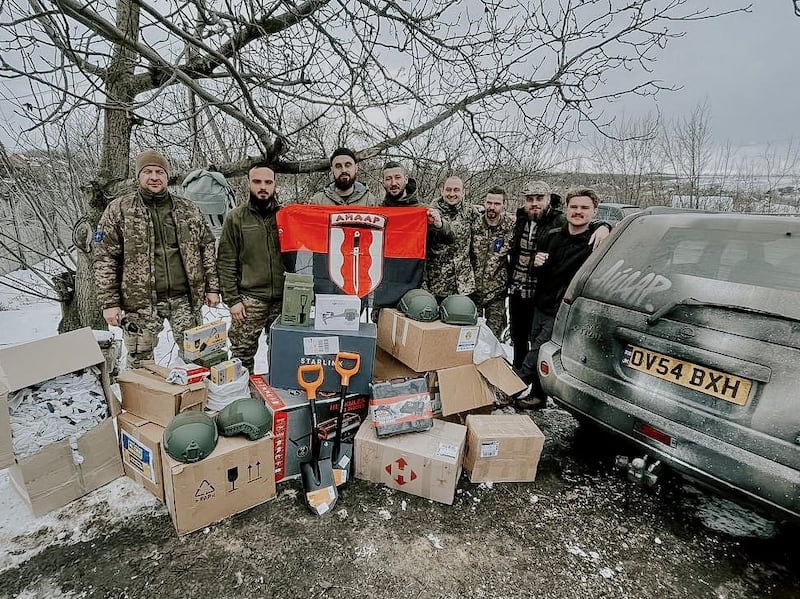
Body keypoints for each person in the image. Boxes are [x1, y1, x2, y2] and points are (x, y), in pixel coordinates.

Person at [93, 149, 220, 368]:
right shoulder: (119, 210)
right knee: (140, 362)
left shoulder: (187, 209)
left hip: (185, 299)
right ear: (138, 176)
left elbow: (206, 248)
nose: (154, 177)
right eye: (148, 171)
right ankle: (143, 401)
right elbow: (105, 257)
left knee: (200, 356)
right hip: (140, 303)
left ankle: (197, 398)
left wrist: (212, 287)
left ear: (166, 176)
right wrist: (110, 302)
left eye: (159, 171)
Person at [507, 180, 609, 371]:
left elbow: (584, 224)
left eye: (539, 198)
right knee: (518, 337)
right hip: (519, 289)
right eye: (530, 199)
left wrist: (604, 226)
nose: (534, 203)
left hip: (544, 295)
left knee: (539, 344)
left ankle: (524, 382)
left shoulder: (559, 221)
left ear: (548, 199)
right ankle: (516, 374)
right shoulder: (520, 218)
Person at [516, 188, 603, 410]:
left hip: (566, 309)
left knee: (536, 351)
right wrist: (536, 265)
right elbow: (539, 272)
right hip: (542, 304)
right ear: (566, 209)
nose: (578, 212)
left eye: (584, 208)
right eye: (574, 207)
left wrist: (606, 226)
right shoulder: (552, 235)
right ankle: (538, 395)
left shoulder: (597, 241)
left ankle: (509, 387)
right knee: (537, 346)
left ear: (594, 212)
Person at [216, 164, 286, 374]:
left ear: (274, 184)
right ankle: (242, 400)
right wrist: (233, 300)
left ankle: (279, 397)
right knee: (242, 353)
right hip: (249, 300)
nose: (263, 187)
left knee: (283, 352)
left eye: (268, 182)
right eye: (257, 182)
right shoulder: (236, 218)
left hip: (283, 299)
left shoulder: (286, 216)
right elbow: (226, 261)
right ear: (249, 183)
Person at [425, 175, 478, 303]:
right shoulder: (430, 213)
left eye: (456, 190)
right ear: (442, 191)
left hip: (464, 285)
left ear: (463, 192)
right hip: (438, 284)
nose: (452, 194)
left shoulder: (471, 212)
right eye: (448, 190)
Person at [471, 186, 515, 339]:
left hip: (496, 293)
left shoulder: (511, 225)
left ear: (504, 205)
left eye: (496, 204)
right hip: (472, 291)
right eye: (489, 203)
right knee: (467, 336)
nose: (492, 207)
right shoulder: (474, 222)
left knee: (492, 339)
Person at [310, 147, 377, 206]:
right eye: (338, 166)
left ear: (356, 168)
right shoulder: (318, 202)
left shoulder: (370, 201)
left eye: (348, 165)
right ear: (332, 170)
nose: (343, 170)